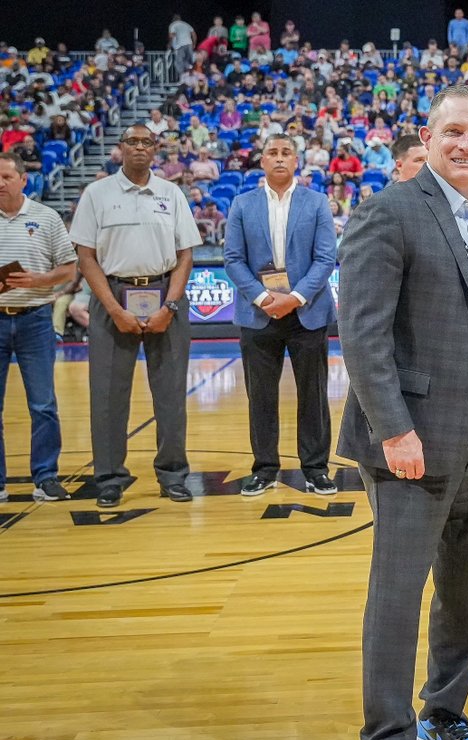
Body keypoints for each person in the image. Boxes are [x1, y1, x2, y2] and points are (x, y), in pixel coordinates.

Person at [337, 85, 468, 740]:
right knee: (399, 594)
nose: (467, 145)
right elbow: (363, 333)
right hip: (411, 435)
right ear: (429, 135)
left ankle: (442, 712)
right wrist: (392, 430)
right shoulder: (389, 211)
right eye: (454, 133)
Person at [69, 125, 203, 507]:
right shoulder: (97, 194)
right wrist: (113, 308)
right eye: (133, 142)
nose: (140, 148)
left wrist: (170, 306)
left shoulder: (171, 193)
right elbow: (86, 256)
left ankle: (173, 474)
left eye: (147, 142)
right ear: (120, 149)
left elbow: (185, 256)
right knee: (108, 396)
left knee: (172, 394)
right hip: (113, 297)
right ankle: (110, 477)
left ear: (155, 149)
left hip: (164, 295)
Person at [223, 134, 339, 498]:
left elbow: (325, 258)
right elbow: (232, 259)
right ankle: (265, 468)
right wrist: (262, 296)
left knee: (314, 395)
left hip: (307, 312)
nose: (279, 158)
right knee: (260, 396)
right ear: (262, 161)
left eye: (286, 152)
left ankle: (316, 469)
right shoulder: (242, 204)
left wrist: (295, 297)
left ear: (296, 160)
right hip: (258, 313)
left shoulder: (316, 202)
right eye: (272, 152)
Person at [0, 152, 76, 503]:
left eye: (5, 177)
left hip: (35, 319)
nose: (0, 183)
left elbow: (69, 269)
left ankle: (45, 477)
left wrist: (38, 278)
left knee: (43, 403)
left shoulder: (46, 217)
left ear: (22, 179)